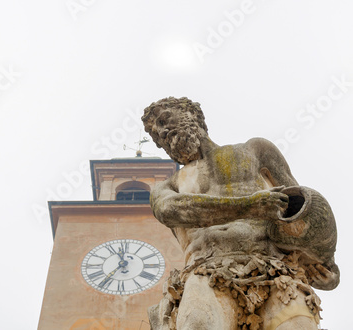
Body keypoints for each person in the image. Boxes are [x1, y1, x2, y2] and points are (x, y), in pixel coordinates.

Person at [142, 97, 339, 330]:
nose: (164, 132)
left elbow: (299, 209)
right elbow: (170, 210)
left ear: (193, 115)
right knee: (198, 325)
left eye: (165, 120)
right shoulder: (166, 187)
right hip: (206, 271)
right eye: (157, 136)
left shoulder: (256, 150)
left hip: (275, 270)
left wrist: (324, 263)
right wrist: (248, 206)